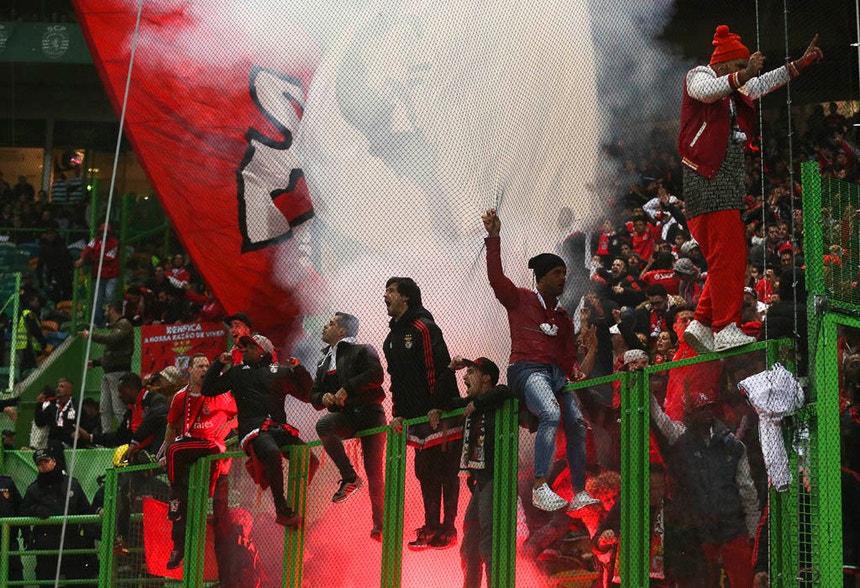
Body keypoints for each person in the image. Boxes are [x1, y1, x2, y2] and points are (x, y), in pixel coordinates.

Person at [678, 25, 823, 353]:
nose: (744, 74)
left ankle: (701, 324)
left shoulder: (733, 88)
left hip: (721, 182)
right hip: (708, 181)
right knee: (729, 256)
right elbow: (707, 91)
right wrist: (743, 76)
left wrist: (800, 64)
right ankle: (725, 327)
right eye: (738, 67)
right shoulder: (697, 76)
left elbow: (763, 83)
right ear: (726, 65)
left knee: (726, 257)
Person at [482, 208, 600, 513]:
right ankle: (539, 487)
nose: (564, 278)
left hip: (554, 375)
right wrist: (494, 237)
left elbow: (569, 363)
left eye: (564, 273)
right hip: (525, 371)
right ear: (543, 277)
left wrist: (584, 360)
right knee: (550, 411)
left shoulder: (563, 318)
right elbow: (496, 279)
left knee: (576, 423)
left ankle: (579, 492)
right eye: (558, 274)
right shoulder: (520, 299)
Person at [202, 334, 317, 526]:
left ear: (262, 350)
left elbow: (308, 395)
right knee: (272, 452)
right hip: (253, 429)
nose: (244, 349)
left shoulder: (280, 371)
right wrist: (218, 364)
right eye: (243, 346)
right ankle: (281, 509)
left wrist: (299, 370)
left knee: (311, 460)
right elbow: (208, 389)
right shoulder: (237, 372)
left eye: (249, 346)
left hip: (278, 429)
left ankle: (296, 499)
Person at [383, 276, 463, 550]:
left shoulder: (424, 328)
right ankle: (431, 529)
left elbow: (436, 370)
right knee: (424, 471)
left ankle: (448, 529)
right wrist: (398, 414)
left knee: (445, 471)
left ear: (406, 297)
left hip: (441, 415)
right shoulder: (390, 339)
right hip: (417, 421)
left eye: (391, 291)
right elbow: (395, 382)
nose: (385, 295)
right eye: (386, 290)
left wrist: (437, 405)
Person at [310, 312, 386, 540]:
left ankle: (380, 524)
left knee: (374, 471)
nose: (325, 326)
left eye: (331, 323)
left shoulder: (362, 349)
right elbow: (314, 393)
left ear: (342, 331)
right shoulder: (324, 360)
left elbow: (376, 374)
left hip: (370, 414)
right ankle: (350, 477)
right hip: (347, 416)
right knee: (324, 426)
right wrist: (322, 398)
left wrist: (346, 389)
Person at [75, 372, 168, 557]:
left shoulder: (154, 400)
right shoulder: (130, 412)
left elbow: (159, 417)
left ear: (133, 387)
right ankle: (121, 539)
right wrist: (92, 437)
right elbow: (120, 437)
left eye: (121, 390)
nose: (119, 395)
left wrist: (135, 443)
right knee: (125, 491)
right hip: (140, 461)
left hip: (161, 453)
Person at [158, 353, 237, 570]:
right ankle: (178, 546)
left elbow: (237, 416)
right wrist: (165, 453)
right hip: (187, 451)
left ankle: (226, 561)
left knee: (218, 510)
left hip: (211, 449)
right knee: (181, 502)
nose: (204, 370)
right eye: (200, 366)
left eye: (206, 366)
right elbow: (171, 427)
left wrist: (224, 430)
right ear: (190, 370)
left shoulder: (220, 395)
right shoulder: (180, 397)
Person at [448, 356, 513, 588]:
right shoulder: (470, 402)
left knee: (489, 542)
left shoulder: (496, 398)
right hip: (481, 483)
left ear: (487, 378)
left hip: (496, 478)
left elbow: (505, 390)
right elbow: (444, 401)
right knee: (470, 545)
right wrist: (449, 371)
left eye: (471, 372)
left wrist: (477, 404)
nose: (465, 376)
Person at [21, 447, 98, 586]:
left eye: (46, 461)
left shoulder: (72, 484)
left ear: (54, 461)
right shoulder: (34, 489)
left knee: (79, 581)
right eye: (39, 463)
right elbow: (23, 512)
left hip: (73, 542)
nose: (43, 465)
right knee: (47, 581)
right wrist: (36, 510)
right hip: (47, 546)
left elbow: (86, 509)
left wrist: (88, 538)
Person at [79, 300, 134, 432]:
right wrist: (96, 362)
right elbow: (112, 353)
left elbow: (111, 340)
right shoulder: (117, 327)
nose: (105, 313)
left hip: (119, 372)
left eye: (106, 310)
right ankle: (106, 437)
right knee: (104, 408)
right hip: (109, 372)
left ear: (112, 310)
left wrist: (91, 336)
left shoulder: (124, 324)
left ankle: (125, 436)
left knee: (118, 407)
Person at [74, 222, 120, 327]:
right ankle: (96, 323)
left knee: (109, 297)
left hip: (111, 275)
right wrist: (82, 258)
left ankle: (111, 321)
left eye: (107, 232)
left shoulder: (114, 243)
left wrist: (92, 257)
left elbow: (108, 258)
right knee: (97, 300)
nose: (104, 234)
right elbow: (87, 249)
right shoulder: (95, 240)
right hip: (98, 275)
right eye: (103, 232)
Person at [15, 293, 52, 375]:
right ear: (30, 302)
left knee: (25, 368)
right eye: (36, 301)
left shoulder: (23, 313)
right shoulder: (28, 314)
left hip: (24, 346)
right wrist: (43, 343)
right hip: (28, 346)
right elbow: (35, 330)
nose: (37, 303)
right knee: (29, 369)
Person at [0, 471, 23, 583]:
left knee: (14, 575)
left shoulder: (7, 483)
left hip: (9, 540)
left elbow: (20, 507)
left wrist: (26, 531)